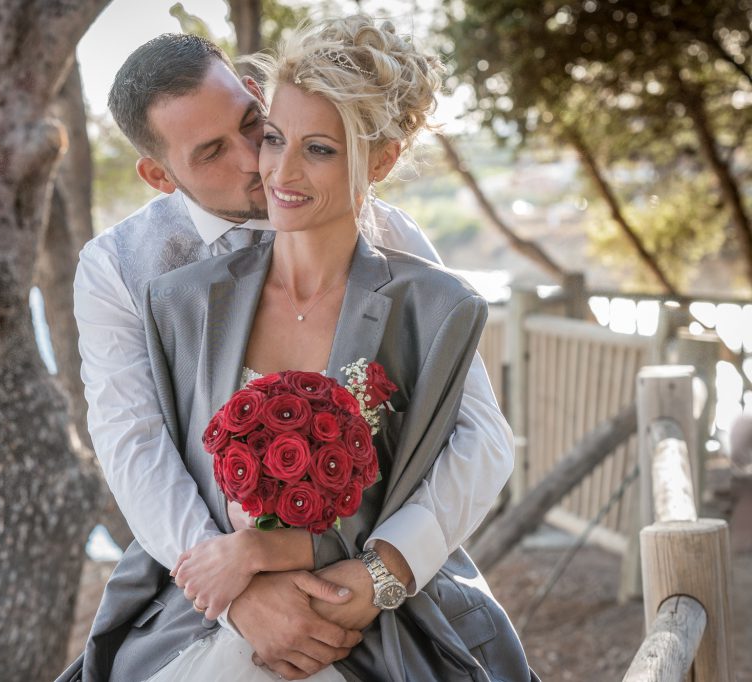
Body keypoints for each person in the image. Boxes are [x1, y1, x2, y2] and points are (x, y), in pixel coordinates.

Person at [59, 18, 530, 682]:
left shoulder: (387, 234)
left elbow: (479, 436)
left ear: (256, 92)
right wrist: (241, 593)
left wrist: (383, 572)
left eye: (255, 124)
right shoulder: (123, 270)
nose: (258, 161)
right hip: (204, 576)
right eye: (212, 152)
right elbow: (132, 444)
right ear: (158, 175)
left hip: (370, 559)